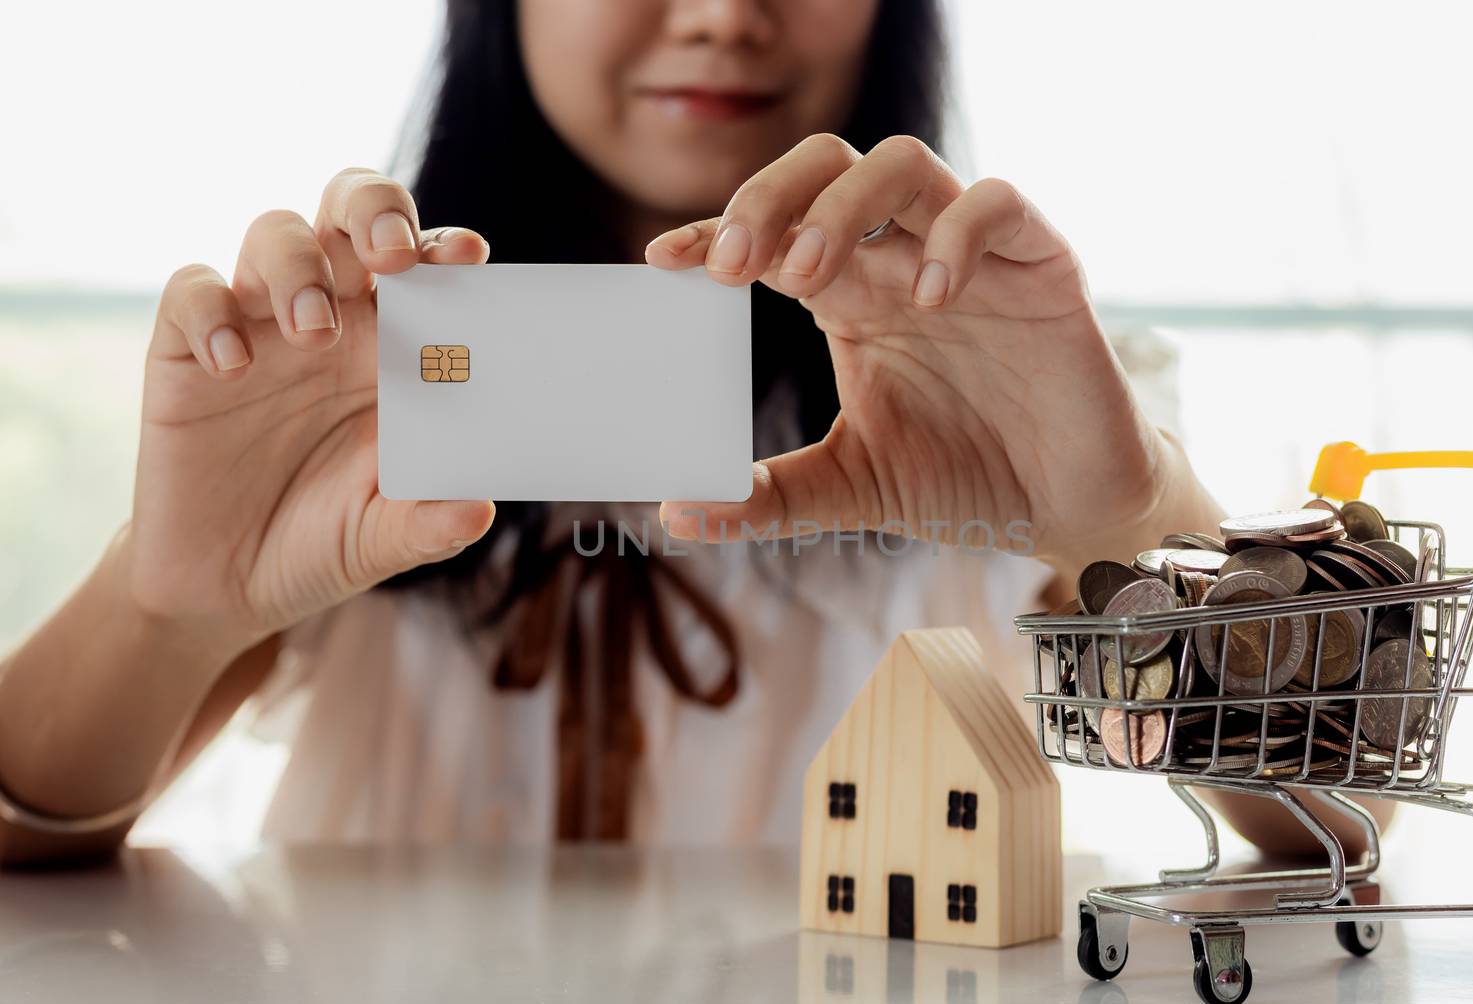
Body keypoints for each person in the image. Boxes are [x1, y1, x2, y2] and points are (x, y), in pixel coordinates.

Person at [0, 0, 1385, 864]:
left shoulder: (1005, 377)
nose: (726, 14)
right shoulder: (349, 392)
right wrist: (164, 599)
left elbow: (1345, 838)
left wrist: (1129, 519)